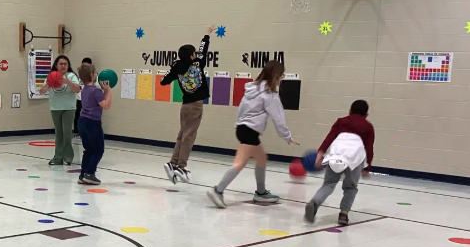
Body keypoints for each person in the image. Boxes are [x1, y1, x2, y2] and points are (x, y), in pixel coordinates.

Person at [207, 60, 299, 208]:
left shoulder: (252, 89)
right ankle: (218, 190)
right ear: (276, 76)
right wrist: (287, 136)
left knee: (261, 159)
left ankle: (261, 193)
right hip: (249, 131)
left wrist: (241, 124)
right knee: (240, 163)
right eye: (281, 76)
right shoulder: (270, 95)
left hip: (243, 128)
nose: (281, 79)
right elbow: (278, 118)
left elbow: (241, 109)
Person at [159, 25, 216, 184]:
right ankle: (180, 166)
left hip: (185, 106)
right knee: (189, 137)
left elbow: (164, 81)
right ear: (191, 56)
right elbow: (203, 49)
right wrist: (206, 35)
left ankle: (172, 162)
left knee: (182, 136)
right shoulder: (198, 63)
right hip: (196, 105)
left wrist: (173, 69)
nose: (196, 55)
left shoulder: (177, 68)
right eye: (194, 54)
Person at [304, 100, 374, 225]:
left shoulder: (341, 121)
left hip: (336, 153)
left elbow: (329, 138)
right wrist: (367, 167)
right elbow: (369, 148)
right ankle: (343, 214)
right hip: (355, 157)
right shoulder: (368, 126)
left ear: (349, 111)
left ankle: (315, 201)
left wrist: (320, 154)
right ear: (366, 115)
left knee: (329, 183)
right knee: (350, 187)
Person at [39, 55, 80, 165]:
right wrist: (48, 85)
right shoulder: (51, 76)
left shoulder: (71, 76)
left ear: (68, 65)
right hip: (55, 107)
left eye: (65, 64)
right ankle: (58, 158)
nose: (63, 66)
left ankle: (68, 157)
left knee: (67, 132)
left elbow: (77, 89)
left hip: (69, 108)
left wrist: (68, 82)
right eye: (60, 64)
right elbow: (41, 91)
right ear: (56, 65)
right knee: (59, 134)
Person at [76, 63, 113, 185]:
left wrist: (104, 91)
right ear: (92, 75)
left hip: (82, 121)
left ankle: (83, 174)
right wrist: (109, 91)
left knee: (88, 149)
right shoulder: (96, 91)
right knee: (98, 150)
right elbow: (106, 105)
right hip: (92, 123)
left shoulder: (84, 90)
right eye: (95, 72)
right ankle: (90, 173)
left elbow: (99, 100)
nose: (97, 74)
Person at [74, 57, 94, 137]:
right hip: (79, 99)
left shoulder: (93, 76)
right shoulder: (78, 76)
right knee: (78, 116)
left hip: (89, 100)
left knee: (87, 118)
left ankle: (87, 132)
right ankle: (77, 131)